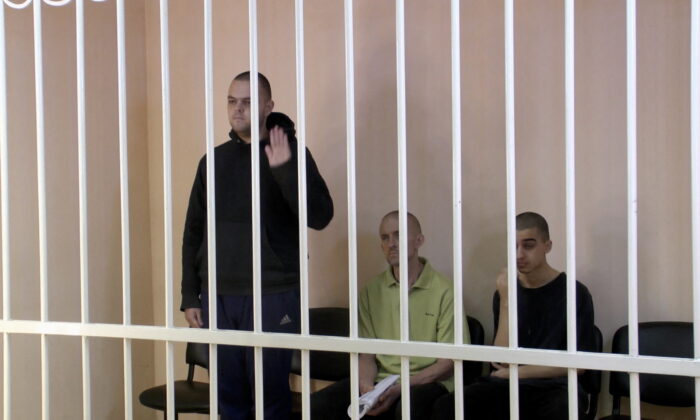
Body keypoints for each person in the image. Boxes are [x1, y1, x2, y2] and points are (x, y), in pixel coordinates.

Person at [180, 71, 334, 420]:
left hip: (273, 291)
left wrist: (283, 170)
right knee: (228, 399)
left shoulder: (291, 153)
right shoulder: (212, 162)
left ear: (268, 106)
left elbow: (322, 216)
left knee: (271, 399)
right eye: (232, 101)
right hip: (220, 295)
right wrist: (191, 293)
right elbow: (193, 232)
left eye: (248, 102)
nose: (238, 110)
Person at [431, 211, 596, 420]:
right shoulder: (506, 290)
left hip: (556, 387)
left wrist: (519, 372)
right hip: (508, 383)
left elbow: (579, 364)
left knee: (561, 408)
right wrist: (507, 300)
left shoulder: (574, 292)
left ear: (548, 246)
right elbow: (501, 359)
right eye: (513, 246)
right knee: (448, 406)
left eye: (528, 245)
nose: (519, 254)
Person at [311, 211, 469, 419]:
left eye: (399, 235)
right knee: (317, 406)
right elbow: (366, 355)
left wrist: (401, 387)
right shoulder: (371, 291)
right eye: (385, 238)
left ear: (419, 240)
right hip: (382, 380)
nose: (391, 243)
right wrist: (367, 386)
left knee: (409, 410)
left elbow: (448, 363)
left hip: (428, 381)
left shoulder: (445, 291)